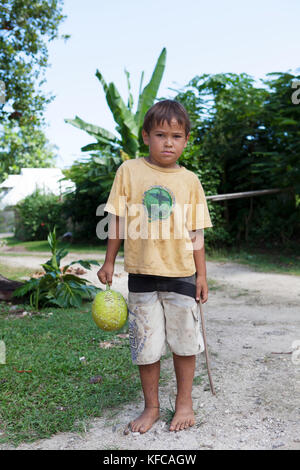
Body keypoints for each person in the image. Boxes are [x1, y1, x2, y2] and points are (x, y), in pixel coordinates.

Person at [97, 100, 213, 434]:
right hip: (142, 275)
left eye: (176, 136)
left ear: (186, 140)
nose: (168, 142)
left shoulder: (190, 181)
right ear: (146, 136)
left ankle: (184, 403)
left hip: (182, 275)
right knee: (145, 344)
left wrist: (201, 274)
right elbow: (116, 219)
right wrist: (109, 261)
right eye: (160, 134)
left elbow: (196, 231)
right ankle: (151, 407)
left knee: (185, 342)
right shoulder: (130, 172)